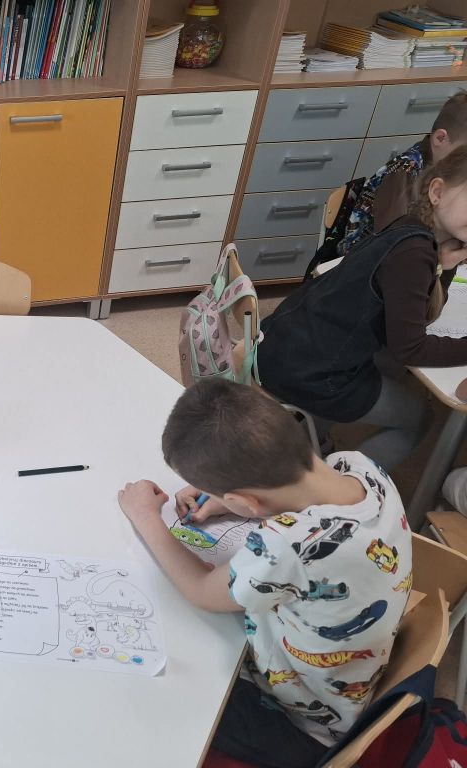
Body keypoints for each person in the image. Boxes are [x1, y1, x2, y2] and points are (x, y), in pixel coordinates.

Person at [118, 379, 411, 768]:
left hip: (302, 718)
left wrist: (145, 515)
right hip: (350, 683)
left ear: (247, 500)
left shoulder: (285, 546)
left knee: (145, 688)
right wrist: (231, 500)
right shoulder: (359, 466)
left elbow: (201, 590)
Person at [256, 145, 467, 471]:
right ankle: (332, 488)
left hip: (284, 344)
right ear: (437, 191)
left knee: (386, 367)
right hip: (309, 372)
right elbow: (410, 348)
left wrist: (445, 266)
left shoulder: (412, 227)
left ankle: (309, 440)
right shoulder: (415, 254)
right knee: (418, 420)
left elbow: (421, 314)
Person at [337, 91, 467, 257]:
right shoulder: (405, 172)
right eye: (462, 154)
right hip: (364, 259)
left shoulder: (444, 170)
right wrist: (440, 257)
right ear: (440, 138)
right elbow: (392, 244)